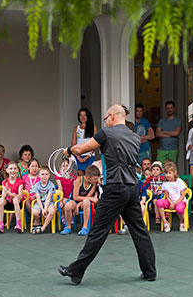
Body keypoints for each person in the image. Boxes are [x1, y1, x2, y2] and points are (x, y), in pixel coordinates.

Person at [58, 104, 156, 285]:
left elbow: (81, 149)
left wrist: (68, 150)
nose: (105, 121)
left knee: (97, 231)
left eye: (106, 118)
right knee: (140, 231)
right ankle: (150, 271)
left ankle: (76, 271)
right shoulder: (135, 136)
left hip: (115, 186)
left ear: (111, 116)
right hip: (131, 186)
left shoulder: (106, 133)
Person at [60, 165, 100, 236]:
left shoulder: (94, 184)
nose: (97, 181)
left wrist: (79, 205)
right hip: (74, 201)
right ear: (88, 178)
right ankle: (68, 227)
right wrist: (89, 199)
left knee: (86, 202)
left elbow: (88, 197)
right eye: (95, 179)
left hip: (84, 203)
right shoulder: (78, 180)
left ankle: (85, 227)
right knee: (68, 206)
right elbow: (75, 197)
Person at [156, 162, 188, 232]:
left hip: (179, 201)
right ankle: (165, 222)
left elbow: (182, 196)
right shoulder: (165, 183)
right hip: (170, 202)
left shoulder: (179, 181)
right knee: (159, 202)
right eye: (166, 173)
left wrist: (174, 203)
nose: (168, 175)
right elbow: (166, 195)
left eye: (170, 173)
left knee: (179, 209)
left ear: (174, 173)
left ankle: (182, 221)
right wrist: (171, 203)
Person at [0, 162, 25, 233]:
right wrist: (5, 193)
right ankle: (1, 224)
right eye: (11, 168)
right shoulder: (4, 182)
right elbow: (3, 196)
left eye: (15, 169)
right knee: (1, 200)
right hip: (8, 203)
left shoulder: (20, 182)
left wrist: (11, 194)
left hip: (17, 204)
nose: (13, 170)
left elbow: (20, 196)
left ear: (18, 170)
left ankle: (18, 224)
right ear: (7, 170)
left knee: (15, 199)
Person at [30, 166, 57, 234]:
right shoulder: (36, 185)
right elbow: (38, 198)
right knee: (34, 212)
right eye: (42, 174)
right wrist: (42, 209)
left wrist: (45, 209)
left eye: (46, 174)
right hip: (40, 203)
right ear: (39, 175)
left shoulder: (51, 185)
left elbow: (48, 198)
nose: (44, 176)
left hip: (49, 203)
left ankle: (43, 227)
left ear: (49, 175)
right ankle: (38, 223)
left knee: (52, 211)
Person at [72, 108, 98, 176]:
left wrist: (87, 157)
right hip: (79, 155)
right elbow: (73, 144)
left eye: (84, 115)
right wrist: (78, 157)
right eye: (81, 115)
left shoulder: (93, 128)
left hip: (90, 156)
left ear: (88, 116)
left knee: (90, 175)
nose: (82, 117)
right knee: (80, 174)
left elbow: (95, 143)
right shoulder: (76, 128)